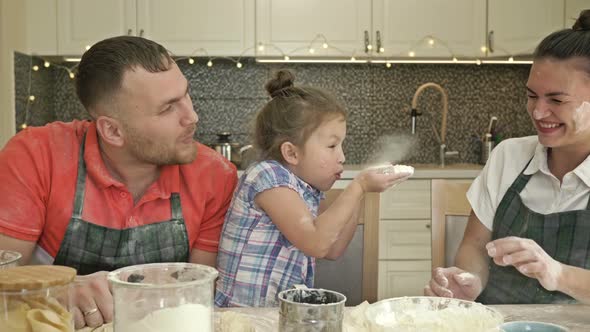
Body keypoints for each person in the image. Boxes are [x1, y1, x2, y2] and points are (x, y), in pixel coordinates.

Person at [0, 36, 238, 328]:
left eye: (186, 95)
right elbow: (3, 279)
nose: (192, 116)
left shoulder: (215, 175)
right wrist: (59, 291)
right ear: (112, 131)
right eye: (167, 108)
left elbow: (197, 293)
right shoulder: (35, 156)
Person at [425, 10, 590, 304]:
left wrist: (558, 274)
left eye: (556, 99)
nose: (538, 112)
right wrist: (470, 281)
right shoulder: (509, 156)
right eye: (531, 96)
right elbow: (474, 246)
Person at [215, 69, 411, 307]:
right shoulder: (268, 177)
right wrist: (358, 186)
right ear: (292, 152)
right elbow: (316, 243)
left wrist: (362, 191)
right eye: (331, 146)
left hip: (275, 318)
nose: (342, 156)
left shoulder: (305, 188)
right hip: (243, 319)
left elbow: (333, 248)